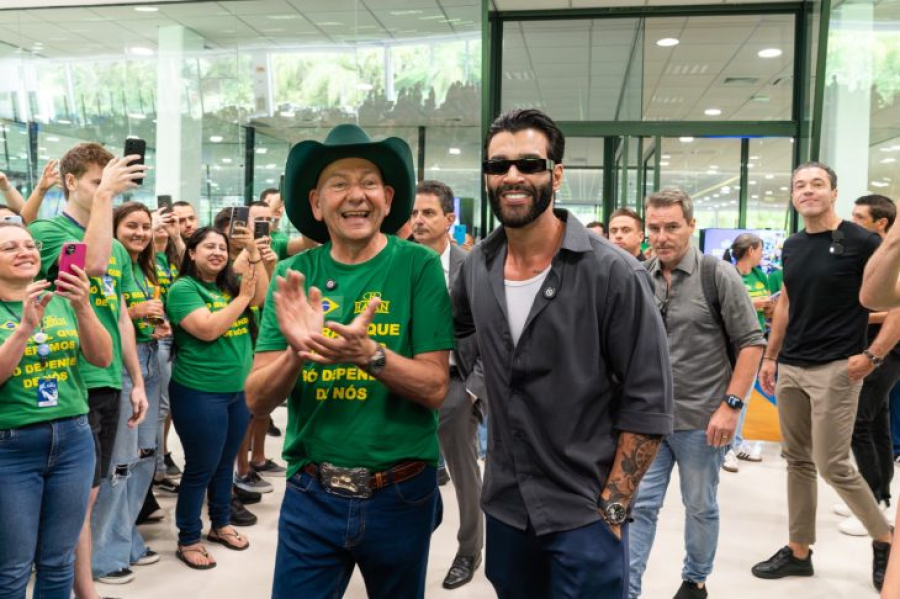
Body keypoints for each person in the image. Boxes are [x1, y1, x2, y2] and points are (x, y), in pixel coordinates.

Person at [453, 108, 673, 598]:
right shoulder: (476, 269)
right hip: (507, 510)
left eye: (529, 164)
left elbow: (649, 403)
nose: (512, 176)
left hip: (584, 514)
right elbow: (462, 335)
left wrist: (612, 514)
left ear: (556, 174)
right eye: (498, 166)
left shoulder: (613, 273)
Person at [245, 123, 453, 598]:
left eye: (368, 182)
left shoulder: (417, 266)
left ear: (387, 196)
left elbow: (436, 387)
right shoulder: (297, 275)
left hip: (400, 491)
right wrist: (297, 353)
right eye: (340, 183)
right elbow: (257, 400)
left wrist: (369, 354)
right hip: (311, 493)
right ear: (317, 203)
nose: (356, 195)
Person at [752, 162, 897, 592]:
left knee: (832, 463)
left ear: (834, 192)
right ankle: (799, 551)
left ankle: (885, 539)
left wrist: (873, 356)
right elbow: (787, 304)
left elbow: (896, 303)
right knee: (796, 460)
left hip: (838, 365)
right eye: (799, 185)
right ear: (793, 195)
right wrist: (771, 356)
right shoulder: (794, 246)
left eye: (817, 184)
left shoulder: (863, 241)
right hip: (793, 365)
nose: (807, 191)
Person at [630, 190, 765, 599]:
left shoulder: (717, 275)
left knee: (700, 505)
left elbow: (751, 344)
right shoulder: (639, 275)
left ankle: (696, 580)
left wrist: (731, 407)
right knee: (640, 508)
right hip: (649, 419)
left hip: (703, 421)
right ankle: (627, 587)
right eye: (654, 227)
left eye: (672, 226)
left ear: (691, 226)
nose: (662, 236)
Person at [28, 142, 149, 597]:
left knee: (92, 490)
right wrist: (103, 202)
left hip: (107, 376)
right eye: (100, 184)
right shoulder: (46, 229)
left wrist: (136, 380)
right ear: (70, 182)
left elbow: (119, 315)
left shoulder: (116, 246)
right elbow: (90, 266)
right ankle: (83, 587)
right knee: (79, 497)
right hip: (65, 381)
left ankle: (76, 581)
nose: (108, 192)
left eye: (111, 185)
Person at [0, 222, 112, 598]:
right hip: (11, 446)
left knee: (59, 559)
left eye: (29, 245)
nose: (25, 251)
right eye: (10, 247)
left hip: (73, 439)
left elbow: (101, 357)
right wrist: (23, 330)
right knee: (13, 567)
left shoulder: (62, 299)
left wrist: (83, 307)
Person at [166, 226, 266, 569]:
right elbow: (207, 329)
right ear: (191, 252)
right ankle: (188, 538)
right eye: (208, 246)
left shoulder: (228, 286)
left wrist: (252, 251)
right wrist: (241, 300)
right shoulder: (183, 289)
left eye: (222, 247)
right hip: (199, 393)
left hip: (236, 392)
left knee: (224, 465)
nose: (217, 252)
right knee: (200, 468)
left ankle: (220, 524)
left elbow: (261, 297)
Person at [411, 179, 486, 590]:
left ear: (449, 219)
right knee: (405, 469)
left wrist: (474, 390)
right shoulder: (397, 263)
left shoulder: (471, 266)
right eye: (414, 213)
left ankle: (469, 550)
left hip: (457, 382)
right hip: (406, 381)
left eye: (428, 213)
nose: (419, 221)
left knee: (463, 475)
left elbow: (497, 333)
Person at [89, 202, 165, 581]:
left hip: (149, 361)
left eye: (145, 226)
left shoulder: (148, 266)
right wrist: (135, 316)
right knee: (118, 463)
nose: (139, 232)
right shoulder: (105, 263)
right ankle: (102, 553)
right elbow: (111, 316)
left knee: (144, 457)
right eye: (131, 225)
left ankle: (125, 536)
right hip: (116, 364)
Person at [838, 195, 900, 537]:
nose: (853, 222)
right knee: (877, 420)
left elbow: (885, 306)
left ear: (882, 223)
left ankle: (874, 501)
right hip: (878, 347)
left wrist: (857, 315)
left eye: (861, 217)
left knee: (862, 421)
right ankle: (879, 495)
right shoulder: (871, 253)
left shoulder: (889, 256)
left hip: (887, 350)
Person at [720, 232, 771, 471]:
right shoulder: (727, 274)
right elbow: (723, 304)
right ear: (750, 250)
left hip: (756, 341)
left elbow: (769, 303)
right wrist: (754, 304)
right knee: (731, 395)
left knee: (746, 396)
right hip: (732, 343)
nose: (762, 254)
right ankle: (725, 448)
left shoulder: (761, 275)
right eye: (760, 249)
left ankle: (735, 443)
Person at [151, 207, 184, 486]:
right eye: (157, 219)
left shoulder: (172, 258)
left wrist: (176, 236)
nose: (163, 224)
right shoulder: (146, 260)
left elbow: (193, 268)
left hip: (178, 338)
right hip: (158, 336)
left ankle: (160, 464)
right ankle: (157, 470)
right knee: (160, 406)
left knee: (168, 405)